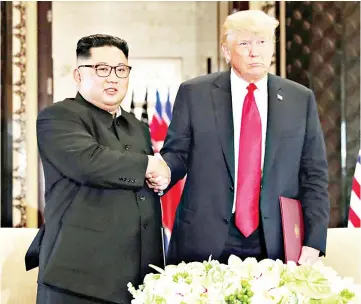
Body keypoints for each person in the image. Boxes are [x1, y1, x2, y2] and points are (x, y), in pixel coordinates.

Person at [148, 10, 330, 266]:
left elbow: (314, 175)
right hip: (204, 235)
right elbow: (177, 154)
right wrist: (164, 172)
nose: (254, 52)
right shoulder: (195, 93)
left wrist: (314, 240)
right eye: (244, 43)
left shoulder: (300, 99)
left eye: (263, 42)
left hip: (275, 239)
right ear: (226, 51)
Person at [26, 34, 169, 304]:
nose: (113, 77)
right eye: (101, 69)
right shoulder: (58, 116)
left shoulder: (137, 127)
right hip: (78, 280)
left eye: (121, 70)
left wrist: (159, 178)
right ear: (78, 75)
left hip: (139, 280)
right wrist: (149, 164)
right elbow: (89, 162)